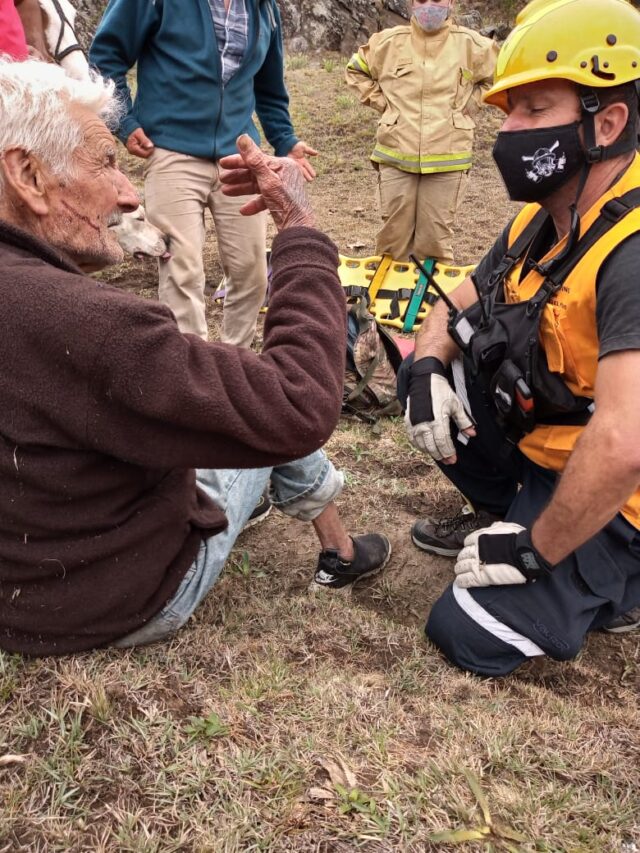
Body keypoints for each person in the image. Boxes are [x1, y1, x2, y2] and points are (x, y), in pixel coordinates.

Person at [0, 58, 390, 657]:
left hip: (25, 579)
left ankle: (334, 541)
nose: (129, 193)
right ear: (26, 174)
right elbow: (298, 404)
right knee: (264, 398)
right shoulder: (89, 323)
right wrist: (298, 228)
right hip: (107, 600)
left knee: (223, 381)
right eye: (106, 162)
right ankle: (340, 550)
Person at [402, 0, 640, 676]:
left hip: (620, 498)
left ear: (610, 120)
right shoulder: (546, 218)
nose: (509, 131)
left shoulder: (631, 251)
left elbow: (625, 443)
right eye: (508, 111)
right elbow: (454, 304)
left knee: (466, 631)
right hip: (554, 450)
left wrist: (536, 548)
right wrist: (426, 374)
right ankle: (508, 510)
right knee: (429, 376)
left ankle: (616, 580)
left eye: (534, 110)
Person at [89, 0, 317, 347]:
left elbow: (269, 88)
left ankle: (235, 364)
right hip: (170, 150)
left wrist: (286, 139)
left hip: (239, 158)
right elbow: (106, 58)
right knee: (182, 270)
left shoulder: (263, 8)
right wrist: (123, 121)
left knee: (252, 273)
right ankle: (192, 376)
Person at [345, 0, 497, 264]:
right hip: (396, 155)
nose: (429, 6)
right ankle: (387, 301)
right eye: (421, 0)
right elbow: (356, 70)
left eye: (436, 0)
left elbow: (501, 76)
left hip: (447, 158)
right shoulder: (387, 43)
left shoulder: (474, 46)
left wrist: (468, 107)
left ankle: (431, 303)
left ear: (450, 2)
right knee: (392, 241)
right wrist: (385, 106)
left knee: (434, 243)